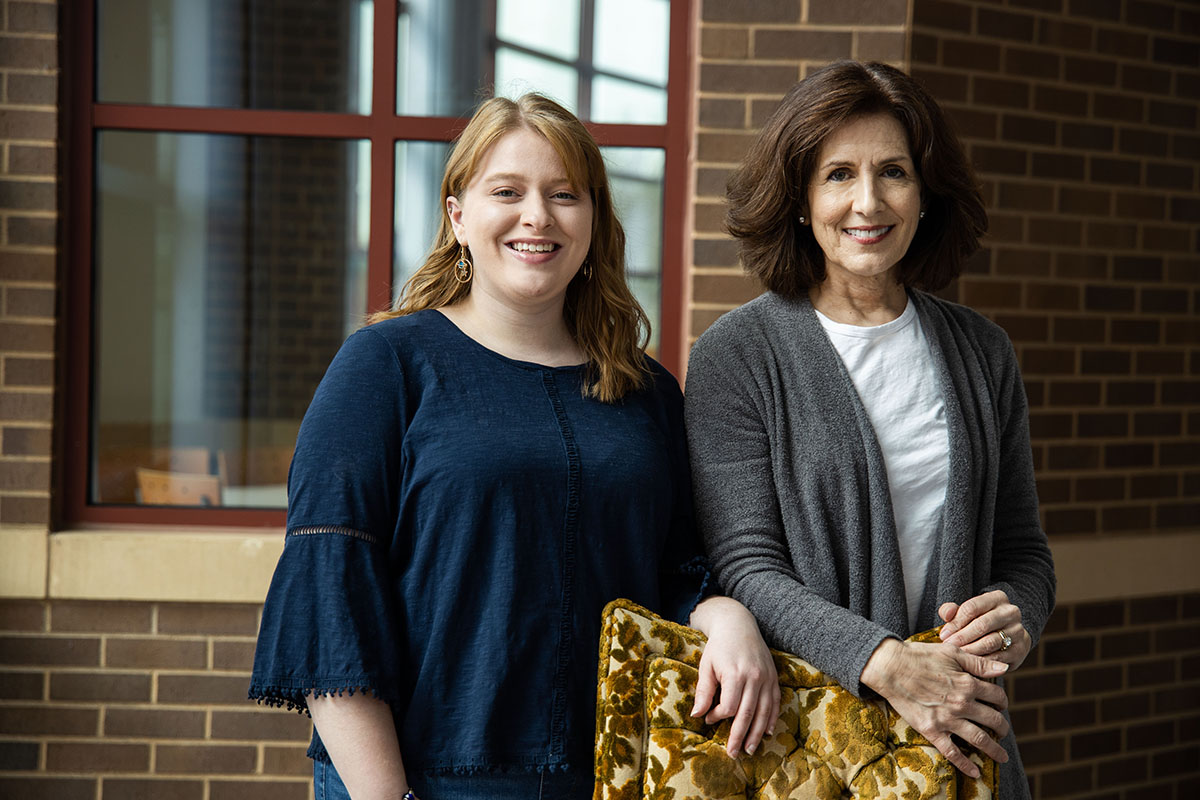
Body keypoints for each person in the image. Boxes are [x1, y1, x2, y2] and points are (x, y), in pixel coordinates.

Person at [249, 93, 778, 800]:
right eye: (508, 191)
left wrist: (728, 615)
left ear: (593, 222)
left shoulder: (644, 387)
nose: (538, 216)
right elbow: (330, 593)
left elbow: (677, 569)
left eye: (565, 194)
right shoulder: (386, 366)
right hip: (422, 778)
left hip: (611, 776)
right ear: (458, 215)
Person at [684, 61, 1056, 800]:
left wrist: (1016, 621)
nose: (867, 202)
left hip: (957, 748)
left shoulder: (983, 352)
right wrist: (886, 665)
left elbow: (1024, 551)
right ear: (798, 199)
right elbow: (746, 566)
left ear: (925, 195)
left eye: (893, 172)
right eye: (837, 175)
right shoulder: (736, 355)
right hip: (809, 755)